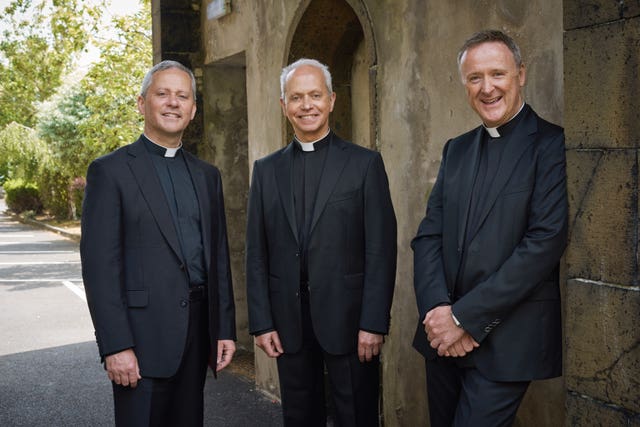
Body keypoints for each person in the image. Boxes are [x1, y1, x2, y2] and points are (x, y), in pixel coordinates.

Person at [411, 30, 568, 426]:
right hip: (442, 338)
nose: (487, 88)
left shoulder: (551, 145)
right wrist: (437, 312)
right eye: (474, 77)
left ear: (521, 74)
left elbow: (544, 244)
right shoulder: (456, 149)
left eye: (497, 74)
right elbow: (428, 235)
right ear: (465, 84)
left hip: (508, 337)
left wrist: (464, 318)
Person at [80, 60, 236, 427]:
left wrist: (224, 327)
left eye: (182, 96)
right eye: (162, 94)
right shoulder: (110, 171)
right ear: (141, 103)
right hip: (140, 339)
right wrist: (116, 345)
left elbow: (218, 260)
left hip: (197, 334)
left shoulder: (207, 175)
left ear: (193, 110)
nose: (172, 103)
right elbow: (100, 268)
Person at [245, 58, 397, 426]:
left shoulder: (364, 164)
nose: (306, 105)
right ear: (284, 106)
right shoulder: (266, 171)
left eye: (315, 95)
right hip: (289, 323)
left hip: (350, 323)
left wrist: (373, 323)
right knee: (299, 418)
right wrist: (262, 323)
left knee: (356, 416)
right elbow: (256, 253)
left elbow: (381, 249)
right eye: (296, 98)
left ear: (331, 100)